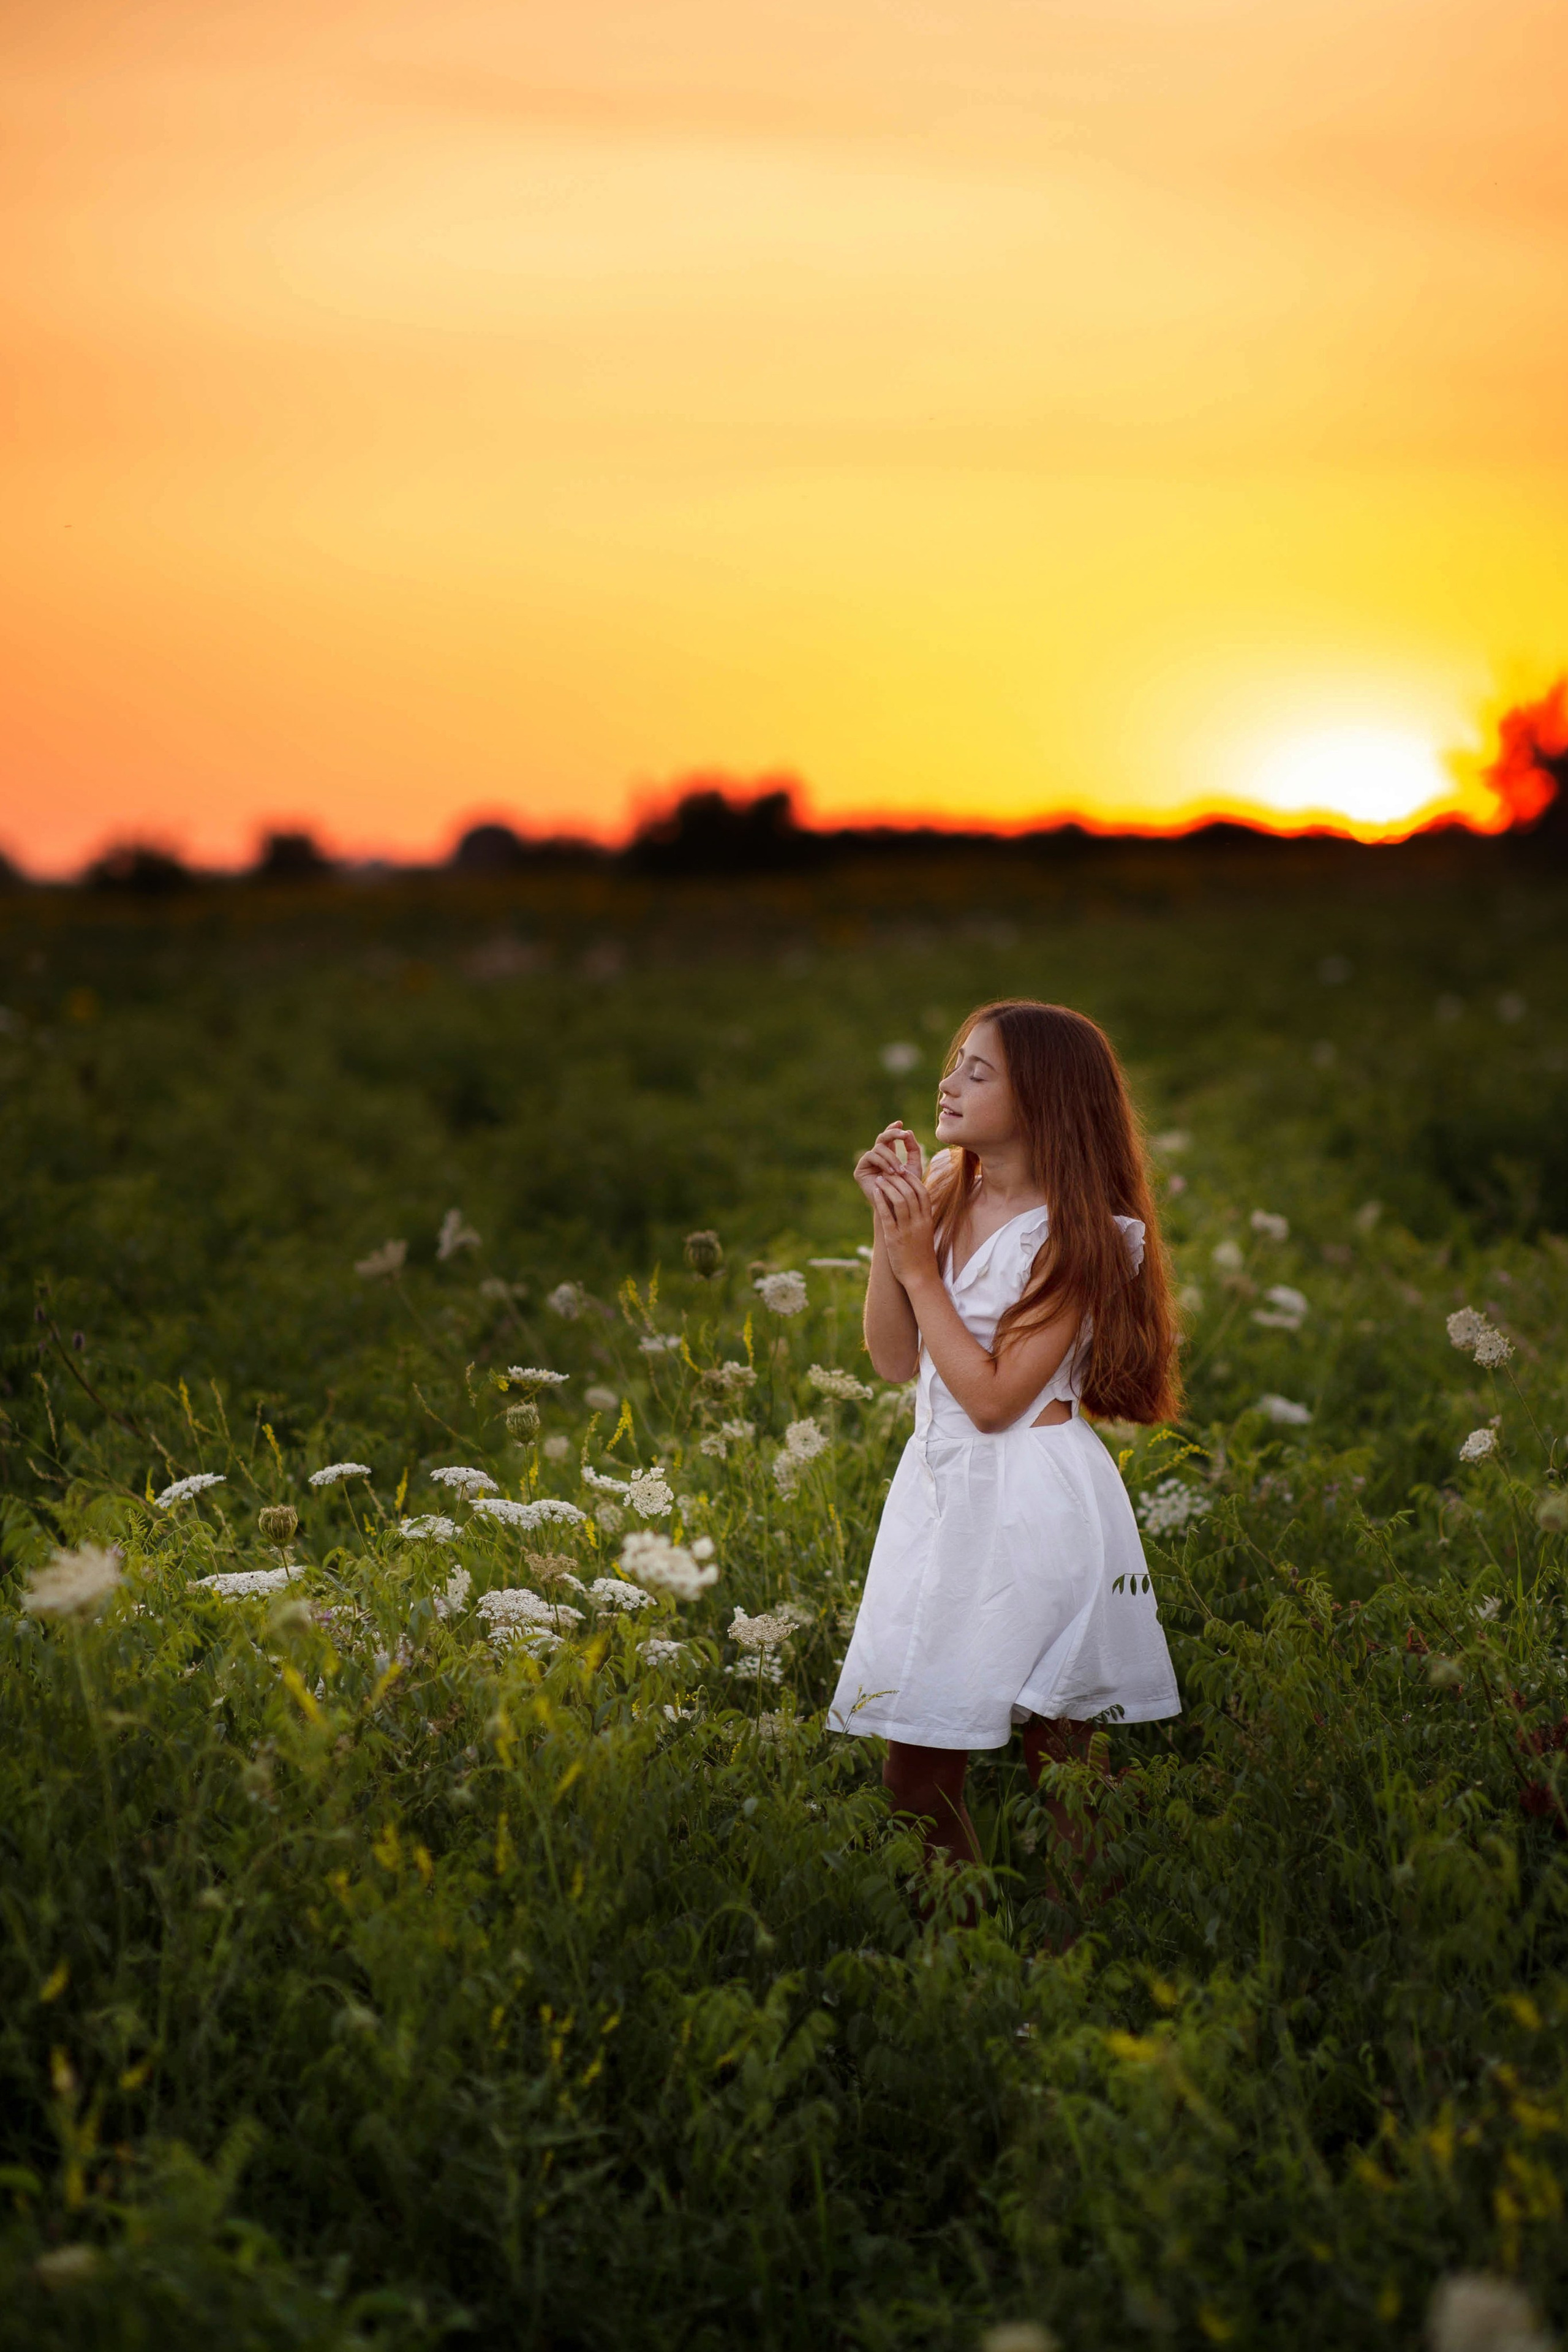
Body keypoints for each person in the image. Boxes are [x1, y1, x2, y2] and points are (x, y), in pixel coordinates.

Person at [828, 998, 1182, 1891]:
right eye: (954, 1062)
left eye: (976, 1072)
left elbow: (992, 1402)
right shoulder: (950, 1191)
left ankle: (1073, 1976)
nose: (947, 1083)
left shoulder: (1080, 1234)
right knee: (916, 1772)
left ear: (1046, 1099)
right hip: (945, 1499)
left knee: (1059, 1761)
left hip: (1034, 1502)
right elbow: (894, 1358)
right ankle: (963, 1972)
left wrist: (918, 1266)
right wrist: (894, 1227)